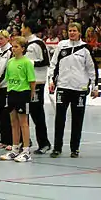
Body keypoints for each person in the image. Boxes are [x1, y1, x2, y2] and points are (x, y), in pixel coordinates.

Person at [49, 23, 98, 158]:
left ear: (79, 32)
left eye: (74, 31)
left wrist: (94, 87)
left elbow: (91, 69)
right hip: (63, 87)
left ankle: (74, 149)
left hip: (79, 88)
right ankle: (57, 148)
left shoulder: (85, 49)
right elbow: (53, 64)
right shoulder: (61, 45)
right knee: (59, 119)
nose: (72, 33)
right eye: (70, 30)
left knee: (77, 120)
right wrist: (51, 81)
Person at [0, 36, 36, 162]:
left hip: (23, 94)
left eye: (16, 47)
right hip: (12, 93)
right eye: (12, 46)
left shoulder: (27, 63)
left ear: (23, 49)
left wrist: (30, 94)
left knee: (23, 123)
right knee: (13, 122)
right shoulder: (10, 62)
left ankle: (26, 150)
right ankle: (15, 149)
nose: (13, 49)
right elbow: (7, 78)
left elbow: (32, 81)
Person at [21, 20, 51, 154]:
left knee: (37, 113)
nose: (21, 29)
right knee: (23, 114)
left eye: (22, 27)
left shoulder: (38, 43)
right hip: (25, 83)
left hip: (37, 82)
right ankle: (26, 141)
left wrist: (29, 63)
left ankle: (44, 143)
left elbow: (45, 61)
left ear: (28, 28)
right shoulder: (24, 44)